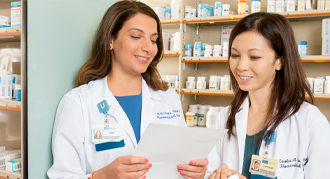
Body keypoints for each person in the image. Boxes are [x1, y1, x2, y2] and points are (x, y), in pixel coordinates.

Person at [47, 1, 208, 179]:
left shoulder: (168, 99)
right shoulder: (78, 103)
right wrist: (102, 176)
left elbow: (179, 163)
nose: (148, 48)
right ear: (110, 40)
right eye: (136, 36)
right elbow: (62, 175)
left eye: (153, 40)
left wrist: (194, 172)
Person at [205, 12, 330, 179]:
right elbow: (208, 171)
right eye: (235, 55)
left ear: (280, 61)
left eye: (254, 57)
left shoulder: (310, 121)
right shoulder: (225, 117)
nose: (241, 66)